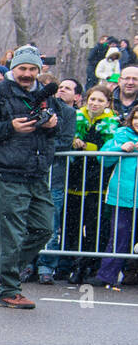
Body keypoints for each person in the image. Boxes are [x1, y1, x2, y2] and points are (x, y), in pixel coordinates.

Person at [0, 45, 69, 309]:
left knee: (45, 228)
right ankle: (9, 290)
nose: (27, 74)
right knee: (10, 234)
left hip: (36, 173)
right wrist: (8, 127)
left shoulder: (45, 95)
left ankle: (0, 269)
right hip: (7, 173)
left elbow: (61, 129)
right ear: (13, 69)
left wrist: (51, 126)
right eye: (23, 68)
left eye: (33, 69)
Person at [66, 86, 118, 283]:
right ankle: (72, 264)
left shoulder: (111, 122)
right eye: (92, 99)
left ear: (107, 103)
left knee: (95, 225)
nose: (95, 103)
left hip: (99, 180)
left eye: (100, 100)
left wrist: (87, 146)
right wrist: (73, 142)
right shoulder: (77, 118)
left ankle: (91, 265)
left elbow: (108, 147)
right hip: (77, 177)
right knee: (72, 223)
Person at [36, 77, 78, 283]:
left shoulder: (67, 113)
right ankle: (26, 265)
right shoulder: (33, 106)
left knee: (50, 224)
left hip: (55, 177)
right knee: (28, 223)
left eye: (66, 88)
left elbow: (65, 141)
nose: (60, 91)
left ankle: (46, 266)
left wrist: (44, 141)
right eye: (59, 88)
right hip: (32, 174)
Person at [92, 107, 138, 288]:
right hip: (122, 196)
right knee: (119, 237)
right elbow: (102, 159)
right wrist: (120, 148)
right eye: (135, 118)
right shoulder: (121, 135)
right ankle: (106, 275)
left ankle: (131, 274)